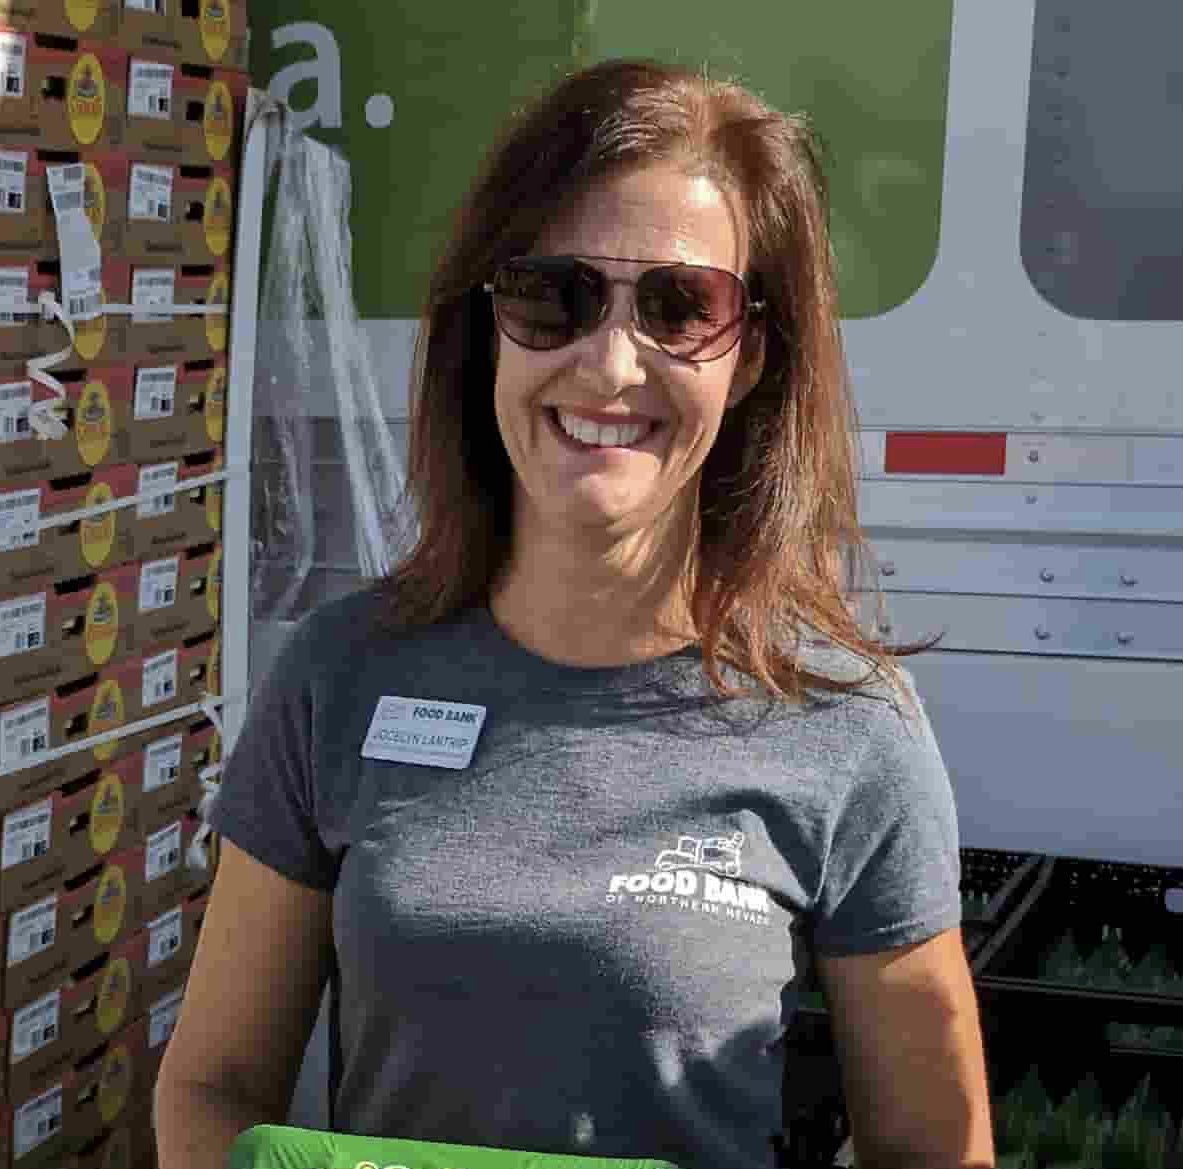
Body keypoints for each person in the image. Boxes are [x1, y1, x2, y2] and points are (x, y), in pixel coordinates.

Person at [155, 58, 995, 1169]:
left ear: (747, 357)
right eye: (553, 295)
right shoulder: (339, 673)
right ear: (487, 327)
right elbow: (208, 1086)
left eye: (679, 306)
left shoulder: (845, 724)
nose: (608, 364)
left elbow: (934, 1147)